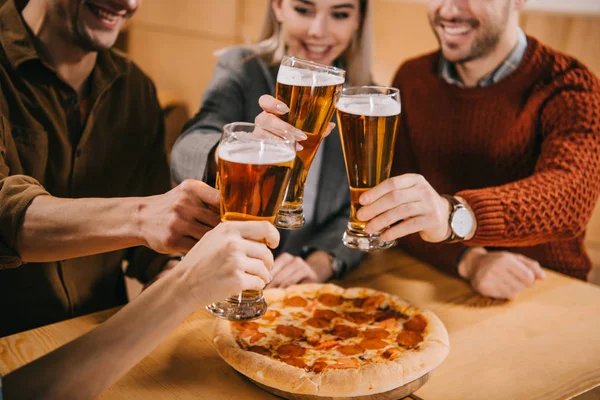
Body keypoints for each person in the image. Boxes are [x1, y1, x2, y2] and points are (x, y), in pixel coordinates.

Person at [0, 0, 221, 337]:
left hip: (101, 340)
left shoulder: (135, 88)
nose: (129, 4)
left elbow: (149, 249)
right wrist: (143, 216)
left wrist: (170, 270)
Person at [354, 0, 600, 299]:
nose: (447, 10)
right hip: (439, 280)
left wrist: (455, 215)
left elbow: (571, 197)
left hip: (547, 288)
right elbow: (396, 211)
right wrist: (471, 261)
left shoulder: (569, 85)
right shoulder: (413, 77)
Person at [171, 0, 373, 288]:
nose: (318, 31)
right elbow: (186, 150)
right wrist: (241, 148)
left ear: (358, 21)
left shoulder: (363, 103)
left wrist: (321, 261)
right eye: (304, 10)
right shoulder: (243, 69)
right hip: (224, 279)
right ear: (278, 7)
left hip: (300, 295)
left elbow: (356, 210)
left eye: (339, 14)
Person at [0, 220, 279, 400]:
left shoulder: (140, 126)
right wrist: (184, 284)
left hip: (103, 348)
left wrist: (169, 267)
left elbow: (155, 238)